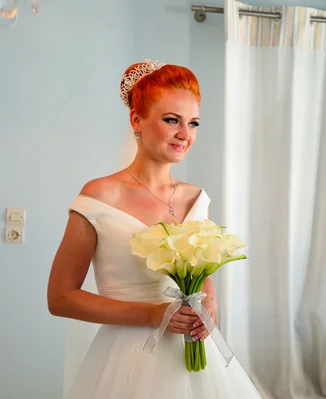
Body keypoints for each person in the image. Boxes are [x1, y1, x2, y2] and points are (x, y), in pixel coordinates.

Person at [47, 59, 261, 398]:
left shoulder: (196, 198)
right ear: (137, 120)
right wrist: (153, 314)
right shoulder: (99, 196)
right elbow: (60, 298)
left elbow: (200, 267)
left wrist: (211, 301)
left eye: (193, 123)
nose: (185, 134)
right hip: (128, 359)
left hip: (193, 357)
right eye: (171, 120)